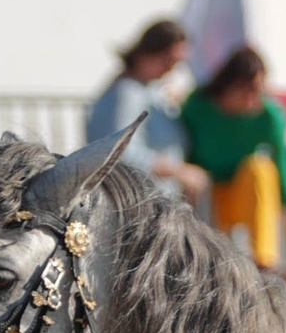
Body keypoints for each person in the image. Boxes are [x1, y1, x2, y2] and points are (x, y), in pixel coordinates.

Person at [178, 45, 286, 270]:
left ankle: (263, 262)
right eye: (247, 90)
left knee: (260, 168)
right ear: (227, 85)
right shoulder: (196, 107)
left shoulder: (269, 116)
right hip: (207, 195)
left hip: (245, 195)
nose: (253, 99)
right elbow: (186, 158)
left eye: (258, 91)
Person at [84, 19, 204, 201]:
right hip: (133, 203)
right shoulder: (126, 92)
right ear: (147, 52)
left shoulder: (151, 90)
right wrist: (177, 170)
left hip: (155, 200)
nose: (171, 69)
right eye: (168, 60)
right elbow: (118, 152)